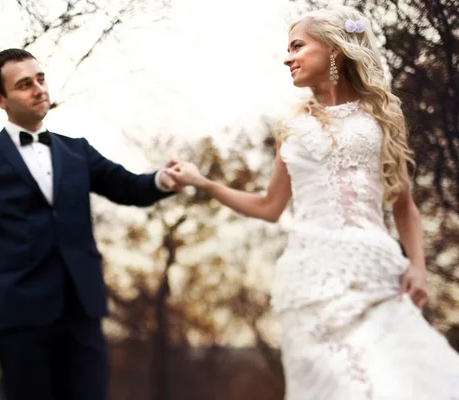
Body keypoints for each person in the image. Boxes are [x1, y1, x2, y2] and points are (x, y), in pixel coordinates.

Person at [165, 6, 459, 399]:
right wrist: (203, 182)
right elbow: (270, 206)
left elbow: (404, 205)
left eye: (297, 46)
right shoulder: (293, 127)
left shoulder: (382, 116)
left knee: (398, 381)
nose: (287, 58)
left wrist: (418, 268)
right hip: (308, 281)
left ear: (334, 50)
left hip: (377, 277)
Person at [0, 48, 179, 400]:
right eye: (25, 84)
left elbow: (129, 187)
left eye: (41, 79)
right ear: (0, 99)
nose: (39, 89)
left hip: (81, 309)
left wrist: (164, 179)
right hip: (20, 316)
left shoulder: (77, 151)